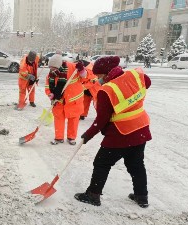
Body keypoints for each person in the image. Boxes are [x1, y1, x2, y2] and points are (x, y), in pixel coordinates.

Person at [74, 56, 152, 208]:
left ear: (106, 73)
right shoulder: (133, 75)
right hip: (141, 128)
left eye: (99, 76)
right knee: (136, 164)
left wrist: (88, 135)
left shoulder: (106, 91)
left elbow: (101, 120)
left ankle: (93, 195)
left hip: (120, 134)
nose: (98, 80)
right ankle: (141, 196)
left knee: (101, 163)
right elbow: (147, 82)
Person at [46, 51, 88, 145]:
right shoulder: (51, 74)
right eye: (50, 68)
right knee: (58, 119)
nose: (52, 70)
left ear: (59, 65)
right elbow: (47, 86)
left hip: (74, 100)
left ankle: (71, 137)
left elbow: (84, 77)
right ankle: (58, 137)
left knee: (73, 120)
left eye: (53, 68)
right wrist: (51, 94)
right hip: (59, 100)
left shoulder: (73, 67)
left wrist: (82, 70)